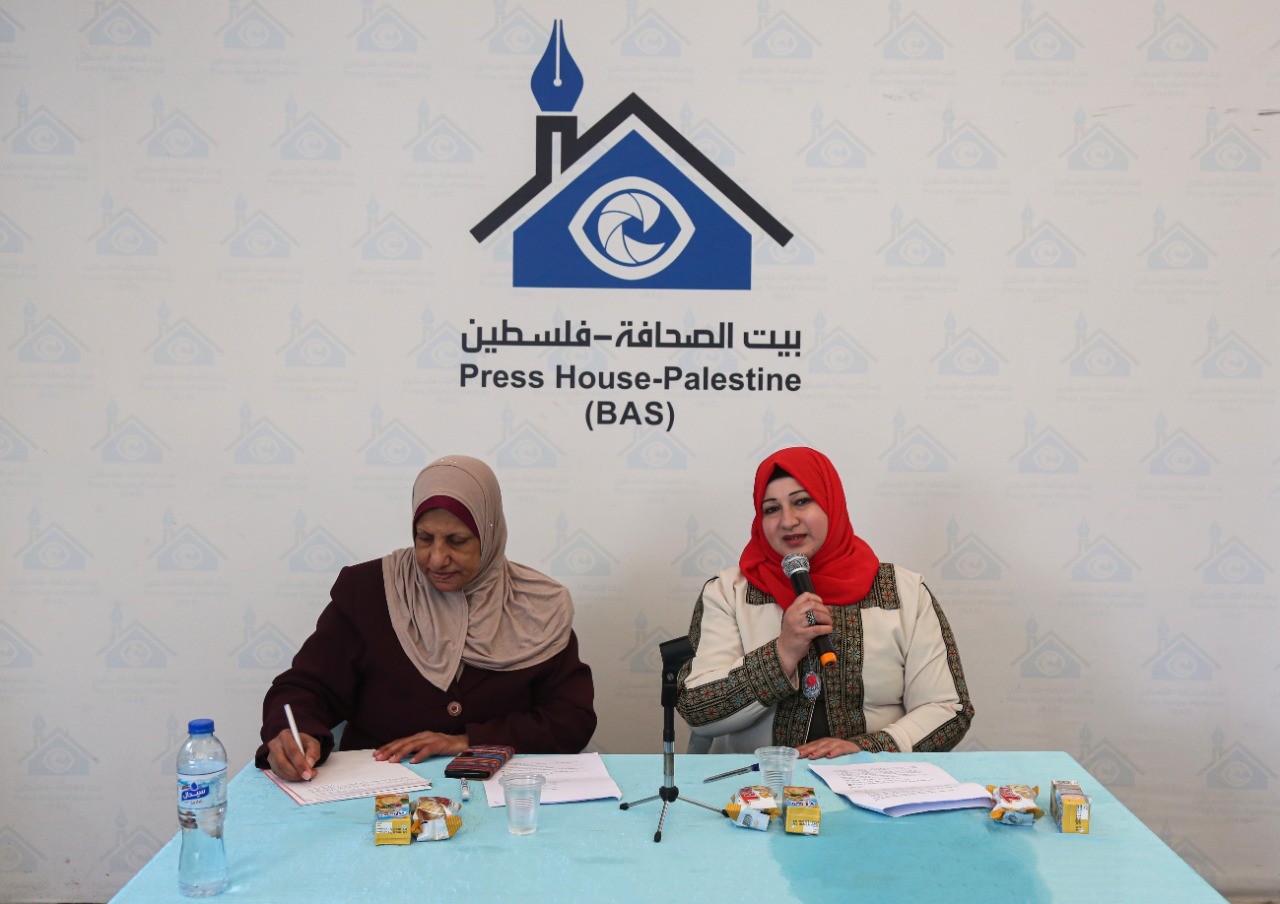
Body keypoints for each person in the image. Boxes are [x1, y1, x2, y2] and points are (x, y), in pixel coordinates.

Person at [257, 455, 596, 780]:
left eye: (457, 541)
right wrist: (296, 732)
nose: (436, 559)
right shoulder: (370, 591)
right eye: (424, 538)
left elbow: (571, 719)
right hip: (379, 791)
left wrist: (466, 741)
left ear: (489, 534)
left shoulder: (537, 606)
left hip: (499, 791)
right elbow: (307, 687)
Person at [677, 446, 973, 757]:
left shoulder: (903, 592)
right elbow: (697, 710)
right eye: (772, 509)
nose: (788, 521)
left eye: (801, 501)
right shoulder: (729, 592)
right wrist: (783, 652)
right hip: (755, 780)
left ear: (831, 503)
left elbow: (948, 709)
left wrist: (866, 748)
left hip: (872, 779)